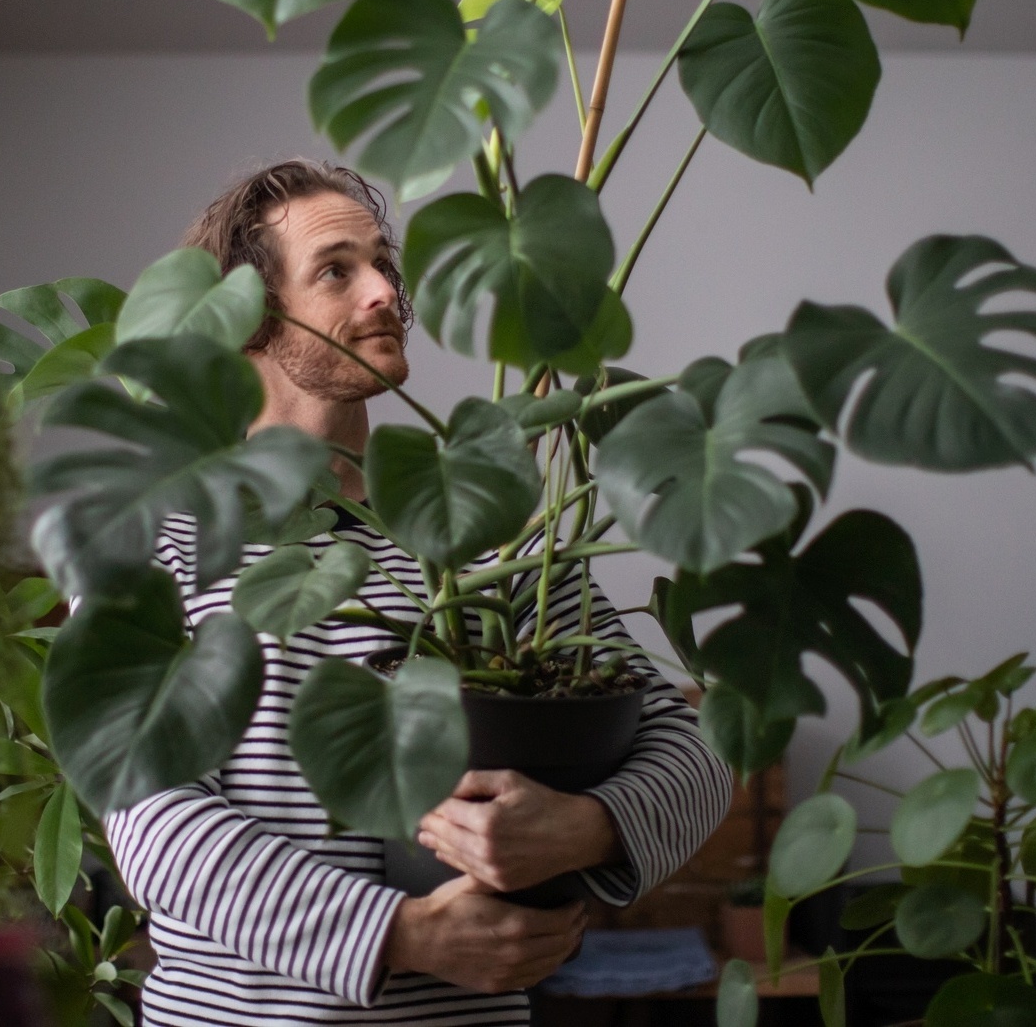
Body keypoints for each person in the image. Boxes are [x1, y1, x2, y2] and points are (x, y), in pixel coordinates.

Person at [108, 160, 733, 1026]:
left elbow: (693, 747)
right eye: (336, 270)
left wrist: (586, 827)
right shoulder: (158, 539)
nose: (384, 293)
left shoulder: (486, 529)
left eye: (383, 264)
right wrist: (399, 935)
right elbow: (148, 817)